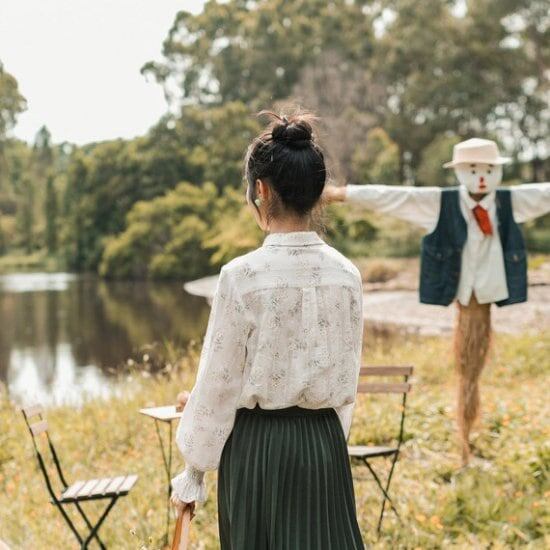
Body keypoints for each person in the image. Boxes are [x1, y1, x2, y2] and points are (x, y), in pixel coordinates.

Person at [169, 110, 365, 549]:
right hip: (324, 444)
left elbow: (219, 381)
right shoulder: (346, 275)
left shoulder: (240, 276)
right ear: (317, 192)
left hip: (256, 449)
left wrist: (193, 472)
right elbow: (347, 380)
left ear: (261, 190)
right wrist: (326, 441)